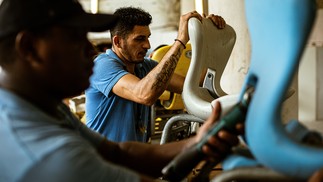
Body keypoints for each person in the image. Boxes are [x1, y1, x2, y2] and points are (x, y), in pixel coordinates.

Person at [0, 0, 244, 181]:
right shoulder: (55, 158)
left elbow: (120, 152)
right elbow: (144, 94)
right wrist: (180, 41)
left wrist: (209, 43)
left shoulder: (41, 107)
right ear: (29, 48)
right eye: (75, 38)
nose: (88, 50)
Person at [85, 6, 227, 142]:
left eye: (147, 38)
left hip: (132, 159)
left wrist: (207, 36)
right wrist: (180, 41)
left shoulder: (145, 66)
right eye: (139, 39)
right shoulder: (102, 65)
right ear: (118, 42)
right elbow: (144, 94)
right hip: (101, 161)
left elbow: (192, 85)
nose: (147, 45)